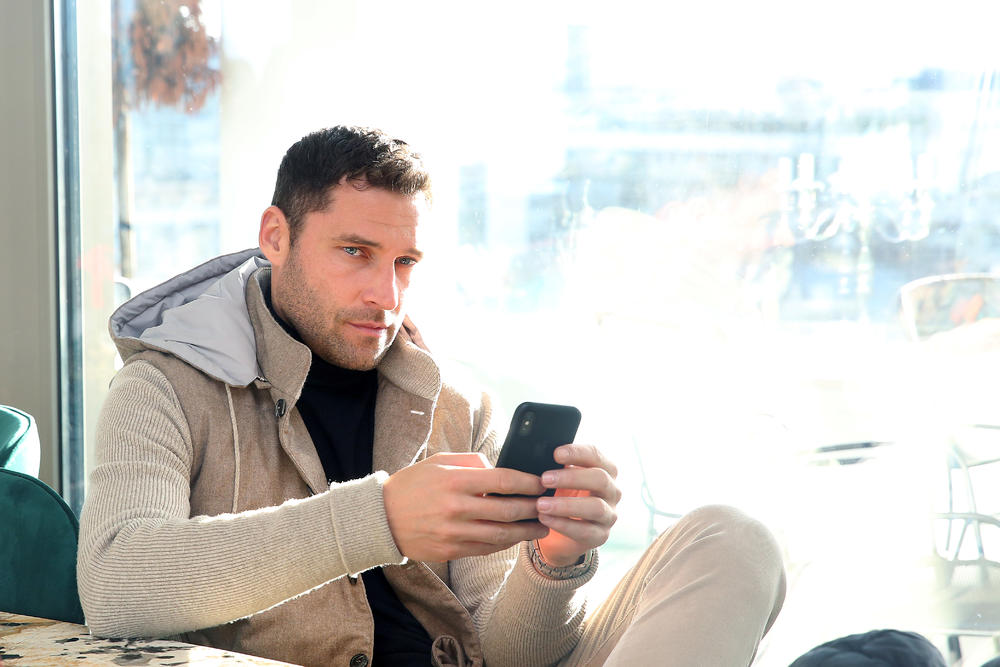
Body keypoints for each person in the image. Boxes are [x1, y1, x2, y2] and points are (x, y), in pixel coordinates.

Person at [78, 125, 786, 667]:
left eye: (405, 262)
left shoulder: (457, 405)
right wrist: (379, 518)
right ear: (276, 237)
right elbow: (116, 585)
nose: (386, 295)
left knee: (733, 541)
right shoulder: (163, 387)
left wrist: (555, 559)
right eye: (355, 252)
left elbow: (508, 653)